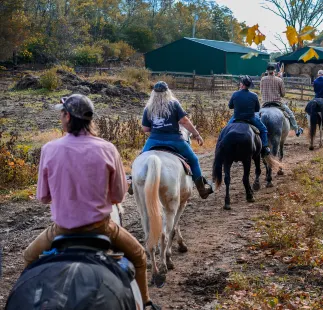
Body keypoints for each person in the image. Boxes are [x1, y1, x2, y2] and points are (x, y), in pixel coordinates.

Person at [23, 94, 161, 310]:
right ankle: (146, 303)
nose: (61, 118)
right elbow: (118, 197)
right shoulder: (108, 148)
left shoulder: (49, 149)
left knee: (29, 257)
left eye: (62, 115)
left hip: (61, 231)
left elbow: (43, 197)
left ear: (68, 116)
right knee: (139, 257)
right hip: (102, 228)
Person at [141, 81, 213, 199]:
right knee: (194, 160)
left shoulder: (148, 108)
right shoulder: (174, 104)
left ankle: (134, 183)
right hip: (175, 140)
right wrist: (196, 134)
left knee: (140, 159)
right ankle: (202, 190)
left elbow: (145, 128)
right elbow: (184, 121)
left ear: (153, 93)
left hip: (154, 140)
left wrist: (157, 130)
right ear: (167, 92)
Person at [227, 75, 270, 156]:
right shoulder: (254, 95)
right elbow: (257, 109)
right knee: (263, 130)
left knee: (225, 130)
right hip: (251, 118)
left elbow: (230, 106)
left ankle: (220, 144)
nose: (240, 84)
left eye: (240, 83)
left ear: (243, 85)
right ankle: (265, 147)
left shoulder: (235, 94)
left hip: (236, 117)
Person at [260, 64, 303, 137]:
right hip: (277, 103)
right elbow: (283, 94)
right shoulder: (279, 80)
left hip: (265, 103)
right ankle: (296, 130)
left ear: (267, 71)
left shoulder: (263, 79)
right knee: (291, 115)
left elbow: (261, 91)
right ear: (274, 71)